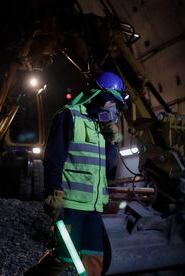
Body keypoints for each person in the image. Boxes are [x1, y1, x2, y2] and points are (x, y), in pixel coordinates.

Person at [25, 71, 128, 276]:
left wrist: (111, 142)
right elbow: (54, 158)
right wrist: (53, 192)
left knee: (94, 259)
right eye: (112, 102)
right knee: (64, 256)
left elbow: (107, 166)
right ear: (100, 95)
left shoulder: (102, 126)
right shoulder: (69, 115)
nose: (114, 108)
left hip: (95, 206)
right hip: (72, 204)